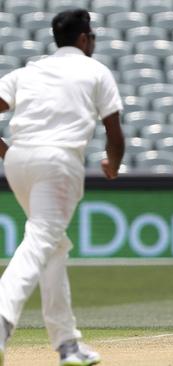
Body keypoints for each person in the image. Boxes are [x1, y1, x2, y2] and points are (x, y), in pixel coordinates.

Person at [0, 9, 124, 365]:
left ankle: (67, 344)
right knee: (41, 238)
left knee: (54, 246)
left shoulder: (29, 70)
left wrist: (8, 152)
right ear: (84, 39)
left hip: (19, 161)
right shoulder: (96, 71)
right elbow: (114, 132)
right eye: (93, 38)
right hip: (57, 161)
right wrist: (112, 165)